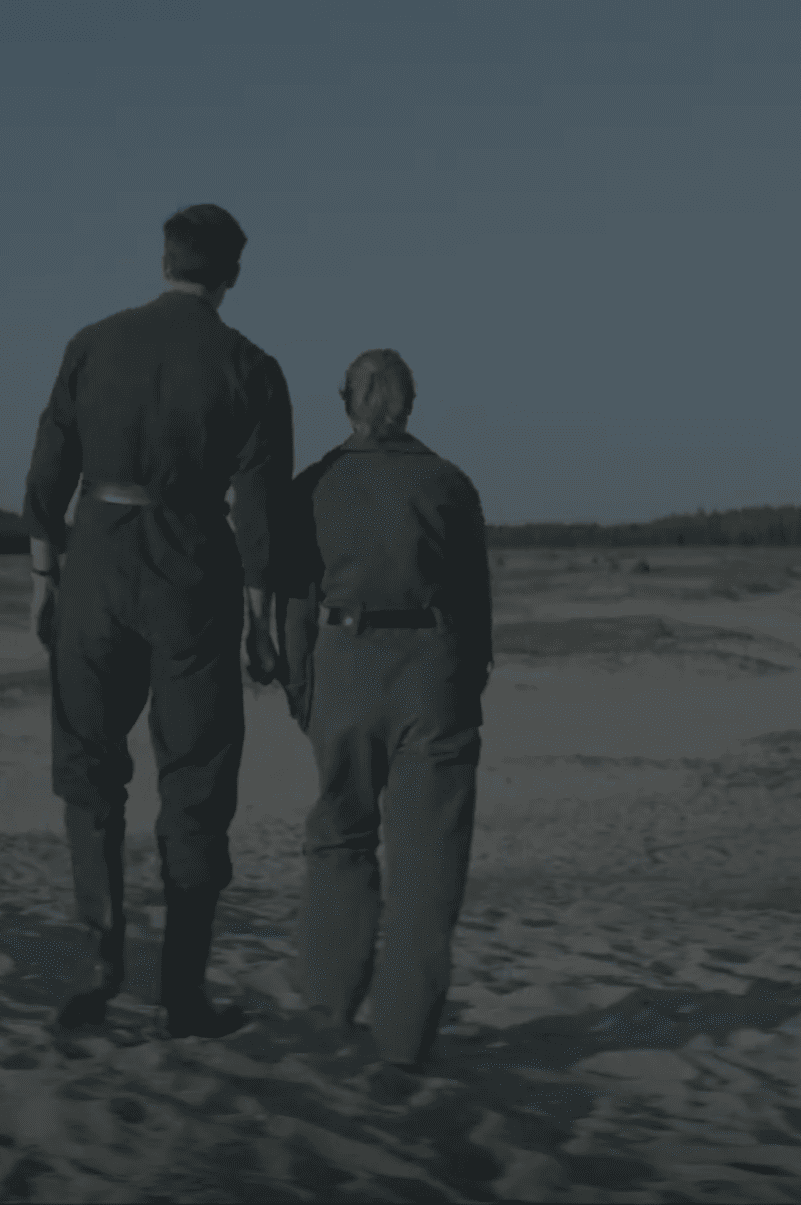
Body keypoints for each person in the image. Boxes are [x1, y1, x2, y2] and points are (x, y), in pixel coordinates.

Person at [23, 203, 293, 1041]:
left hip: (96, 564)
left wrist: (44, 573)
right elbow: (260, 510)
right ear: (233, 274)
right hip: (193, 575)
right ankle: (181, 993)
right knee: (197, 784)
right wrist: (261, 616)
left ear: (164, 259)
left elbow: (48, 466)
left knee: (89, 770)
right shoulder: (251, 365)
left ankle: (101, 956)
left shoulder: (92, 342)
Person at [278, 348, 492, 1072]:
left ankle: (330, 1013)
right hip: (432, 672)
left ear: (346, 402)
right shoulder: (448, 482)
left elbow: (296, 604)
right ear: (412, 404)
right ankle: (401, 1048)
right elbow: (473, 601)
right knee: (426, 872)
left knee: (339, 839)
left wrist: (303, 689)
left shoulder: (314, 485)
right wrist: (464, 687)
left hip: (341, 668)